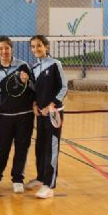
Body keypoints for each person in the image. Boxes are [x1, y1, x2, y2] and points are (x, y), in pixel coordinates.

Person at [0, 36, 35, 194]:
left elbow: (34, 87)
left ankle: (18, 179)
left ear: (11, 49)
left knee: (22, 147)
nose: (4, 51)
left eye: (7, 48)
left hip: (25, 114)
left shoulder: (23, 66)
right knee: (2, 147)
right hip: (5, 115)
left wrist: (27, 81)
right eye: (1, 48)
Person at [28, 35, 67, 199]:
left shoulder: (55, 64)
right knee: (41, 147)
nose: (36, 49)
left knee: (51, 148)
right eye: (33, 46)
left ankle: (49, 185)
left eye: (39, 45)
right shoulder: (34, 68)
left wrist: (52, 104)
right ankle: (40, 177)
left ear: (46, 47)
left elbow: (64, 87)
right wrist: (35, 105)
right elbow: (34, 90)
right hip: (40, 114)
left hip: (53, 114)